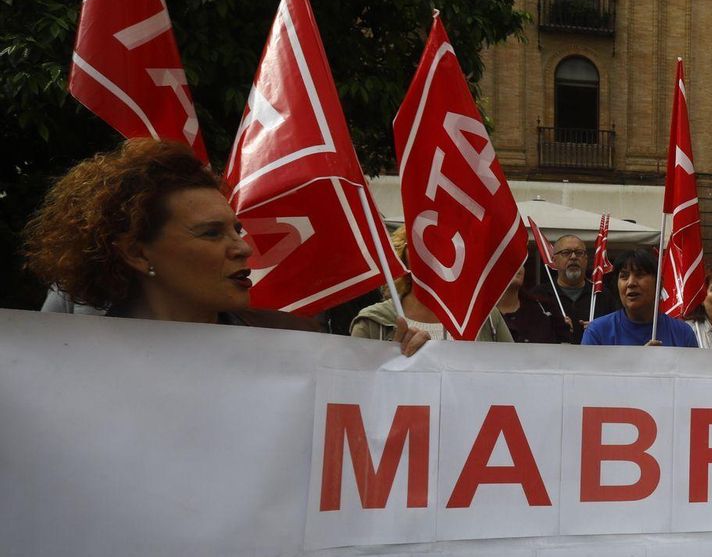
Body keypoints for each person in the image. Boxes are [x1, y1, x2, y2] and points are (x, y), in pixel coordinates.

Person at [21, 138, 353, 336]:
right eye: (212, 233)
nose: (243, 248)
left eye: (236, 230)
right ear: (137, 253)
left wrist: (398, 365)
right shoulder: (71, 344)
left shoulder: (291, 342)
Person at [350, 227, 515, 344]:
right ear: (405, 255)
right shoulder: (372, 323)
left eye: (447, 245)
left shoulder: (488, 319)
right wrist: (394, 361)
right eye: (421, 243)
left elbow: (513, 379)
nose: (434, 252)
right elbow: (354, 386)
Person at [581, 248, 698, 347]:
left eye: (640, 275)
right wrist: (640, 361)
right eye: (624, 276)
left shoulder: (683, 334)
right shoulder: (597, 332)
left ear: (659, 283)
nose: (631, 283)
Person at [545, 233, 615, 343]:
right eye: (566, 253)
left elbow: (615, 333)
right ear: (554, 260)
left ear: (586, 259)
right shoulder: (539, 296)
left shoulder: (602, 295)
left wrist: (599, 329)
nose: (573, 257)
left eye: (579, 253)